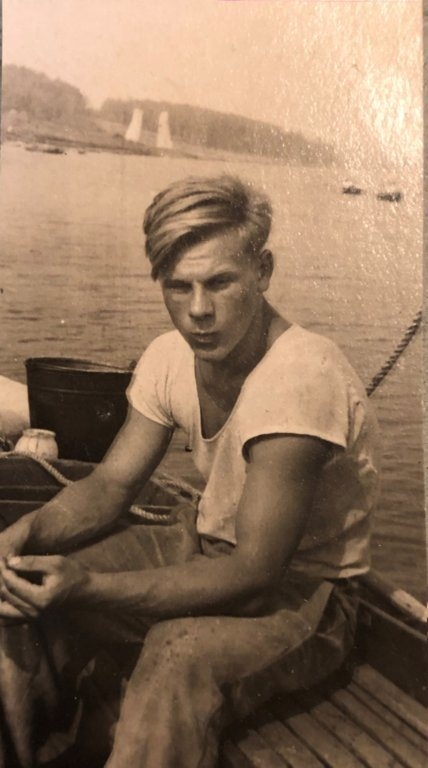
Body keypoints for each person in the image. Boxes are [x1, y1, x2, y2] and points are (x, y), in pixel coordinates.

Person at [0, 175, 379, 768]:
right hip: (202, 544)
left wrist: (88, 585)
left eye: (220, 282)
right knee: (14, 593)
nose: (198, 311)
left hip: (309, 596)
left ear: (263, 271)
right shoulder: (169, 356)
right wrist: (24, 536)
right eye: (179, 287)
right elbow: (111, 485)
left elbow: (255, 573)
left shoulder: (303, 379)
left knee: (174, 655)